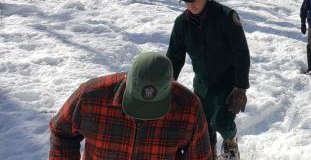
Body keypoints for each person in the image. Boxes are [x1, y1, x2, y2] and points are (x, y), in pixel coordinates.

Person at [49, 52, 212, 159]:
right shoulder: (91, 96)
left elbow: (200, 157)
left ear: (170, 87)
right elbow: (61, 131)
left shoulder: (188, 108)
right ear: (127, 80)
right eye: (137, 105)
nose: (142, 116)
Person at [167, 0, 250, 159]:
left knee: (221, 121)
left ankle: (230, 143)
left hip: (228, 82)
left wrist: (241, 87)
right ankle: (209, 154)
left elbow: (241, 53)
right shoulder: (182, 24)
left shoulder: (226, 17)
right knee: (202, 126)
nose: (190, 4)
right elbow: (174, 56)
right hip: (202, 84)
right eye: (185, 1)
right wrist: (168, 83)